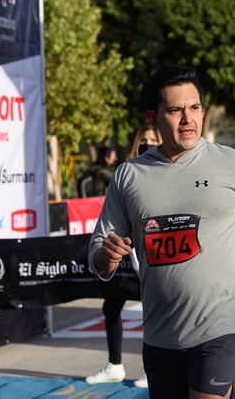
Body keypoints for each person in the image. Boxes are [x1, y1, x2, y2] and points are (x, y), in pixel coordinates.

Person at [88, 65, 235, 399]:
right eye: (175, 110)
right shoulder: (129, 176)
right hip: (159, 334)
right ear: (152, 118)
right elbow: (99, 256)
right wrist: (107, 256)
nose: (188, 119)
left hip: (220, 328)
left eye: (195, 107)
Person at [85, 124, 160, 388]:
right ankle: (115, 365)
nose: (148, 145)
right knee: (111, 306)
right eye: (144, 141)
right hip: (124, 251)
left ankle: (154, 370)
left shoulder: (166, 172)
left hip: (152, 252)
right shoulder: (125, 173)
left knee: (153, 311)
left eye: (154, 140)